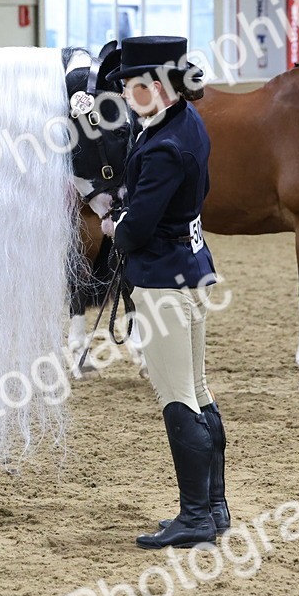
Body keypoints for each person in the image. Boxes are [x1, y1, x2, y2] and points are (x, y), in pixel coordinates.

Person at [107, 35, 229, 549]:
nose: (127, 97)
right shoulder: (186, 125)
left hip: (162, 280)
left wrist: (116, 226)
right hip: (192, 267)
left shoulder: (162, 148)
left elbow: (135, 230)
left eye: (134, 87)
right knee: (198, 392)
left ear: (159, 88)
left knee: (177, 398)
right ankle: (215, 508)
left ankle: (196, 517)